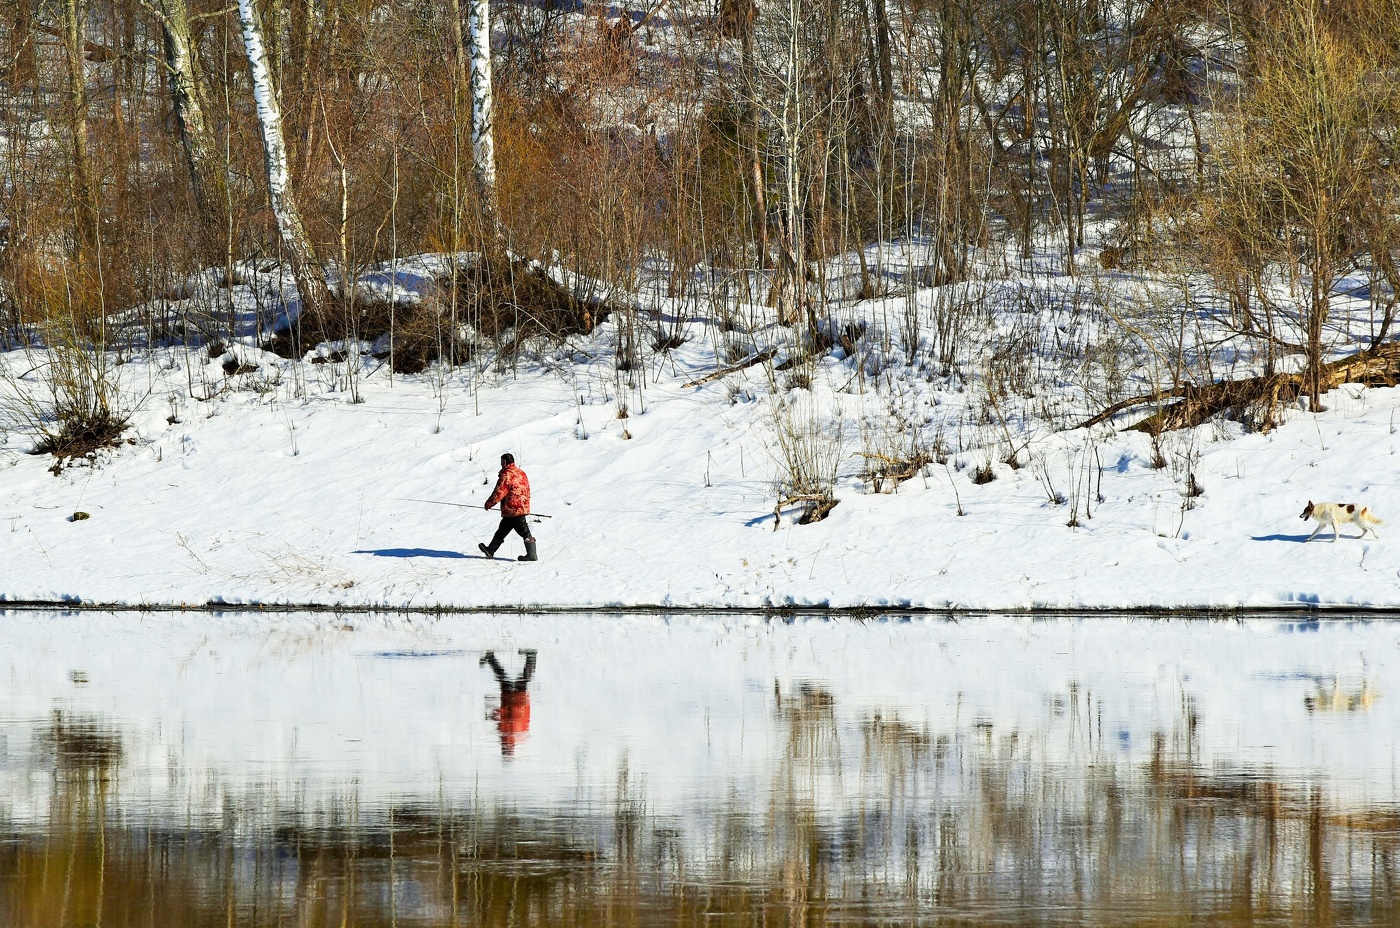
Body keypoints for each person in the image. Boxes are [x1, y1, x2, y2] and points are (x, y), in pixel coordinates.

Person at [480, 453, 538, 561]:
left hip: (513, 508)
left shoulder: (506, 474)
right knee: (503, 528)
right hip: (521, 506)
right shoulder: (521, 473)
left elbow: (499, 492)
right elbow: (527, 490)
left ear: (505, 462)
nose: (501, 464)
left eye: (501, 462)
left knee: (523, 530)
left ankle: (532, 555)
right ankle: (490, 550)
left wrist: (489, 503)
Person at [481, 649, 536, 757]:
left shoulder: (521, 736)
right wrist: (491, 714)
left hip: (520, 701)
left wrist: (527, 701)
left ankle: (531, 657)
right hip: (510, 700)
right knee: (502, 678)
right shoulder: (504, 733)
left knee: (523, 680)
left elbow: (526, 718)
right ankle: (491, 657)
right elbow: (502, 715)